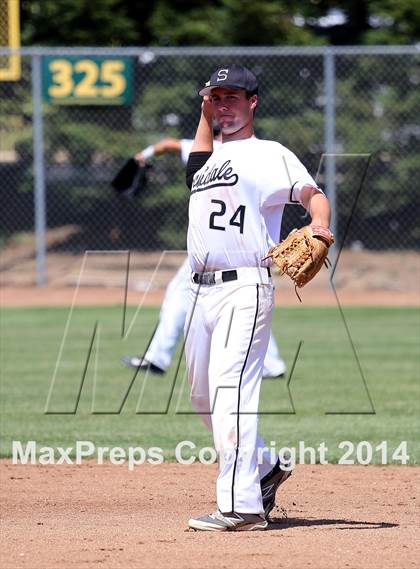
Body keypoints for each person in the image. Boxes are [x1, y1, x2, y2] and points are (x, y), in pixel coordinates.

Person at [184, 64, 332, 532]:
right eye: (215, 96)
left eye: (233, 96)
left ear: (253, 103)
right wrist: (204, 116)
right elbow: (193, 168)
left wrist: (320, 225)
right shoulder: (207, 163)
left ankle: (241, 507)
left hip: (244, 287)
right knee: (203, 399)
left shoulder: (268, 153)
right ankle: (265, 467)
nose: (223, 103)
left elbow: (313, 194)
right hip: (199, 291)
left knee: (232, 393)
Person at [121, 131, 287, 378]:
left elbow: (167, 144)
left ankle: (157, 357)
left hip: (212, 244)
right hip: (238, 243)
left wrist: (140, 157)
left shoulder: (205, 151)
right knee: (247, 298)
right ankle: (271, 364)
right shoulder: (254, 156)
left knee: (202, 295)